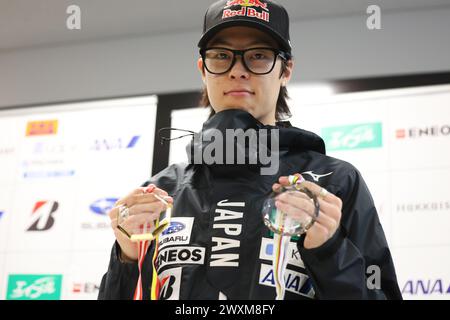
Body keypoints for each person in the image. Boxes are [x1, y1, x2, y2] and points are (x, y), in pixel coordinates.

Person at [98, 0, 402, 300]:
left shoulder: (334, 183)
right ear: (203, 69)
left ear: (285, 71)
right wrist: (126, 258)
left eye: (258, 56)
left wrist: (330, 250)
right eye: (221, 56)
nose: (238, 71)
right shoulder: (162, 191)